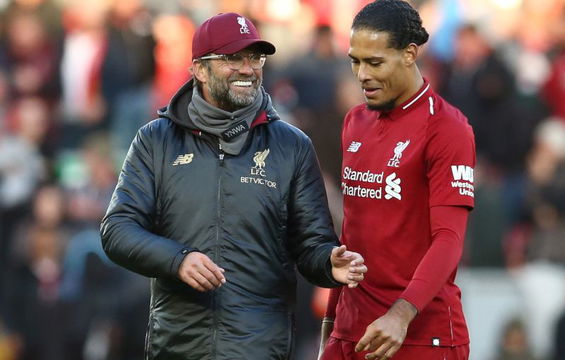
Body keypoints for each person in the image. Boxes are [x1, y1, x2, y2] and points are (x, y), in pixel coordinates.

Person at [100, 12, 367, 360]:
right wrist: (177, 260)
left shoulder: (292, 145)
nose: (247, 68)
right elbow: (117, 229)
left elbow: (312, 243)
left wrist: (329, 264)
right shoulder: (156, 140)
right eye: (232, 58)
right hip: (178, 347)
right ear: (198, 69)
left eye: (255, 57)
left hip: (260, 347)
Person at [319, 1, 475, 359]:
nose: (362, 74)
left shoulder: (447, 129)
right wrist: (331, 321)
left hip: (419, 334)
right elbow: (352, 233)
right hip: (351, 333)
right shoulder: (355, 121)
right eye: (355, 61)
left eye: (375, 63)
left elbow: (449, 239)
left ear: (409, 53)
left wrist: (402, 313)